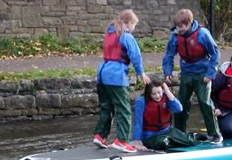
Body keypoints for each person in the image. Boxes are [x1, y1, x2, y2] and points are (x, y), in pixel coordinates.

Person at [93, 9, 151, 152]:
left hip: (102, 73)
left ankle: (100, 136)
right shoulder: (126, 36)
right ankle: (122, 140)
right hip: (116, 75)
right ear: (129, 23)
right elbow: (135, 55)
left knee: (107, 107)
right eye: (134, 25)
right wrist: (141, 73)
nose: (134, 28)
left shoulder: (110, 33)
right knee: (124, 109)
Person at [162, 8, 223, 143]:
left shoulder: (202, 34)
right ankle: (179, 132)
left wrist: (210, 74)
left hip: (202, 73)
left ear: (189, 23)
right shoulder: (175, 36)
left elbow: (215, 53)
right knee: (182, 102)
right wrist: (168, 71)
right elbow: (169, 55)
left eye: (182, 26)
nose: (180, 29)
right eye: (178, 26)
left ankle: (215, 134)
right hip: (187, 72)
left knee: (204, 101)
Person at [132, 80, 206, 151]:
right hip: (150, 136)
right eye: (153, 94)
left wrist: (168, 91)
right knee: (162, 143)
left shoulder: (166, 97)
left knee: (190, 142)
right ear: (148, 93)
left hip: (167, 131)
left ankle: (192, 136)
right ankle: (174, 140)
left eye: (159, 92)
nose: (157, 96)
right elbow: (138, 123)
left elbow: (179, 109)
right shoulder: (141, 102)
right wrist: (137, 143)